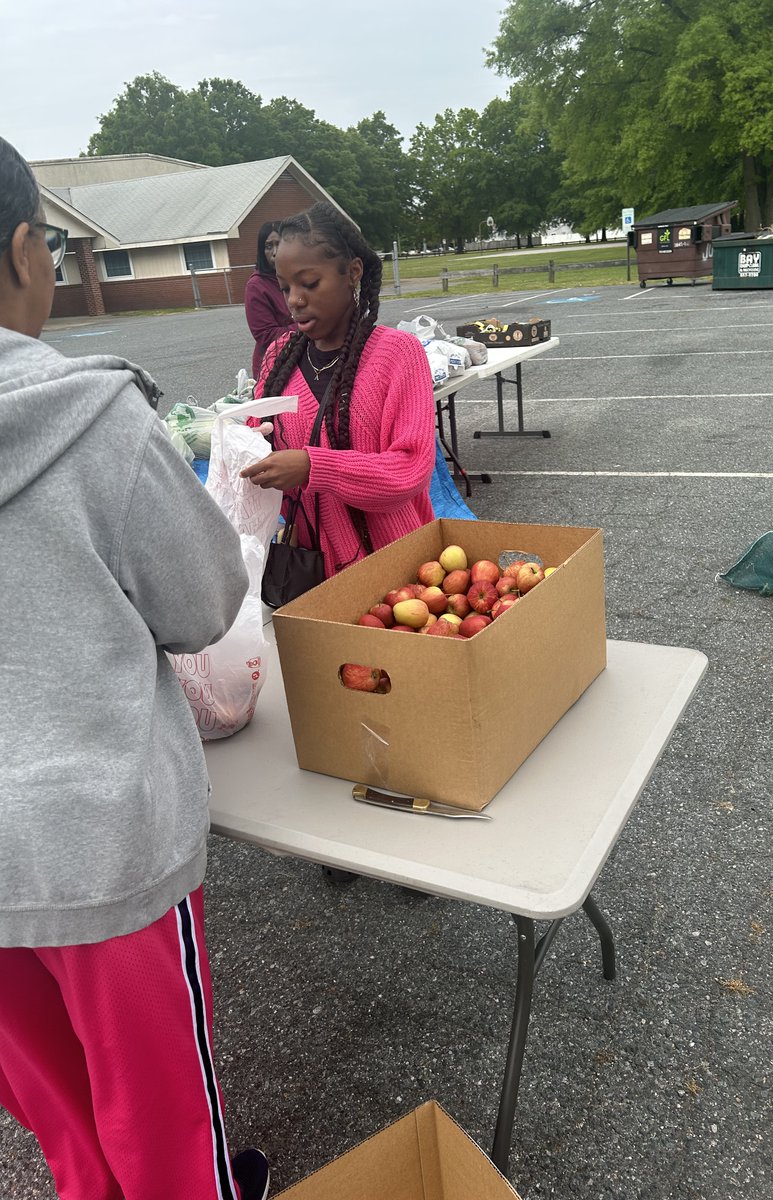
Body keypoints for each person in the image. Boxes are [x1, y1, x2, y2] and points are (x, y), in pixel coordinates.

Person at [0, 137, 270, 1200]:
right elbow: (203, 606)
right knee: (160, 1121)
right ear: (27, 250)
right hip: (96, 841)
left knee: (63, 1118)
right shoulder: (90, 418)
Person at [240, 201, 435, 577]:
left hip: (396, 565)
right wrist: (246, 450)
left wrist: (313, 466)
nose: (295, 299)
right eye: (285, 287)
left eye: (309, 283)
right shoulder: (279, 357)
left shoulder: (397, 354)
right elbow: (256, 439)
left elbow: (410, 469)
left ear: (353, 273)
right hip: (310, 565)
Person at [244, 220, 295, 381]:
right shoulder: (256, 286)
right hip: (273, 366)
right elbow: (265, 335)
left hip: (299, 357)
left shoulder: (297, 277)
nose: (275, 252)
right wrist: (306, 326)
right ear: (261, 251)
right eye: (268, 246)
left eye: (279, 244)